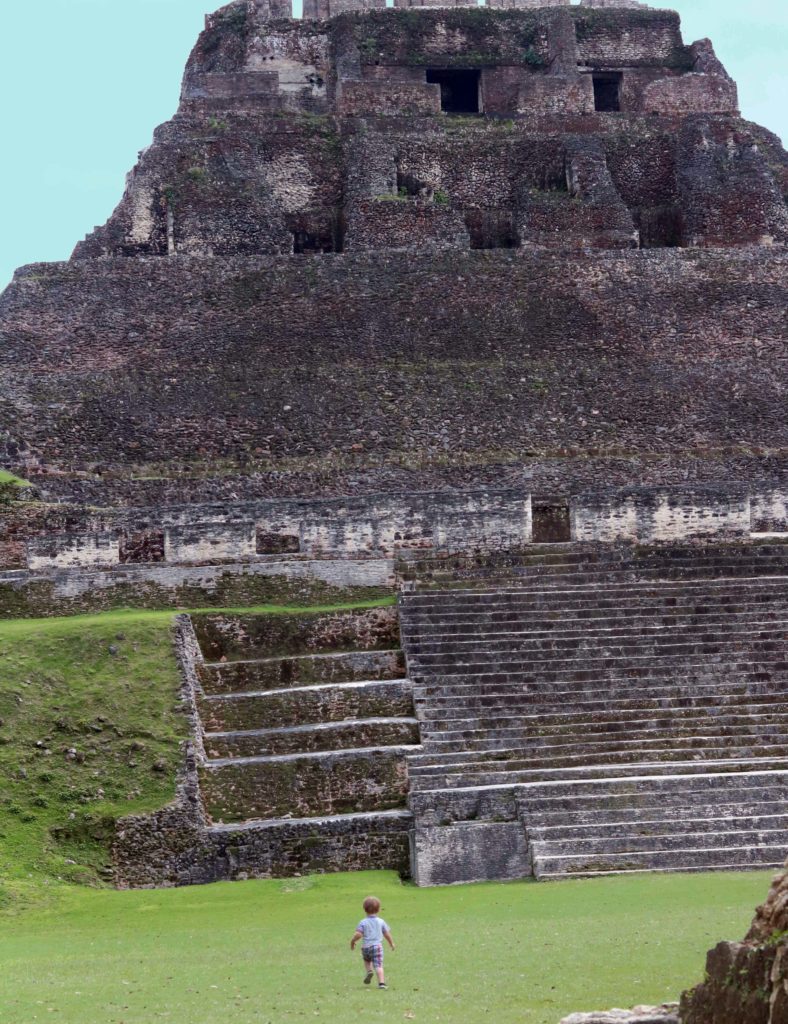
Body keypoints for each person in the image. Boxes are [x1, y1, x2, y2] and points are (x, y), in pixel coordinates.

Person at [350, 895, 395, 989]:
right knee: (378, 965)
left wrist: (353, 941)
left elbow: (358, 934)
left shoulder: (363, 922)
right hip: (377, 947)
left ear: (364, 910)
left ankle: (369, 971)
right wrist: (391, 943)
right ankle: (381, 983)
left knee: (367, 960)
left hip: (365, 947)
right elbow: (387, 934)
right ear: (379, 910)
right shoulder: (381, 921)